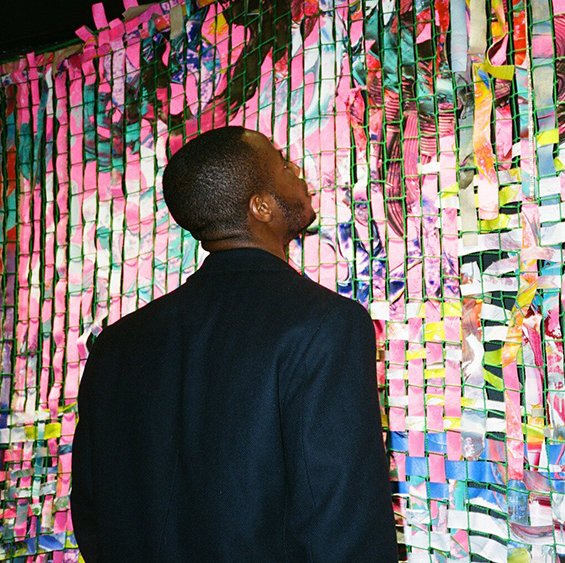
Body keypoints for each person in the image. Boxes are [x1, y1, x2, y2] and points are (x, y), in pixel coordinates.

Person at [70, 126, 398, 562]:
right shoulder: (325, 325)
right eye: (283, 165)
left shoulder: (115, 346)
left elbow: (91, 513)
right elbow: (344, 522)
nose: (298, 171)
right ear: (261, 207)